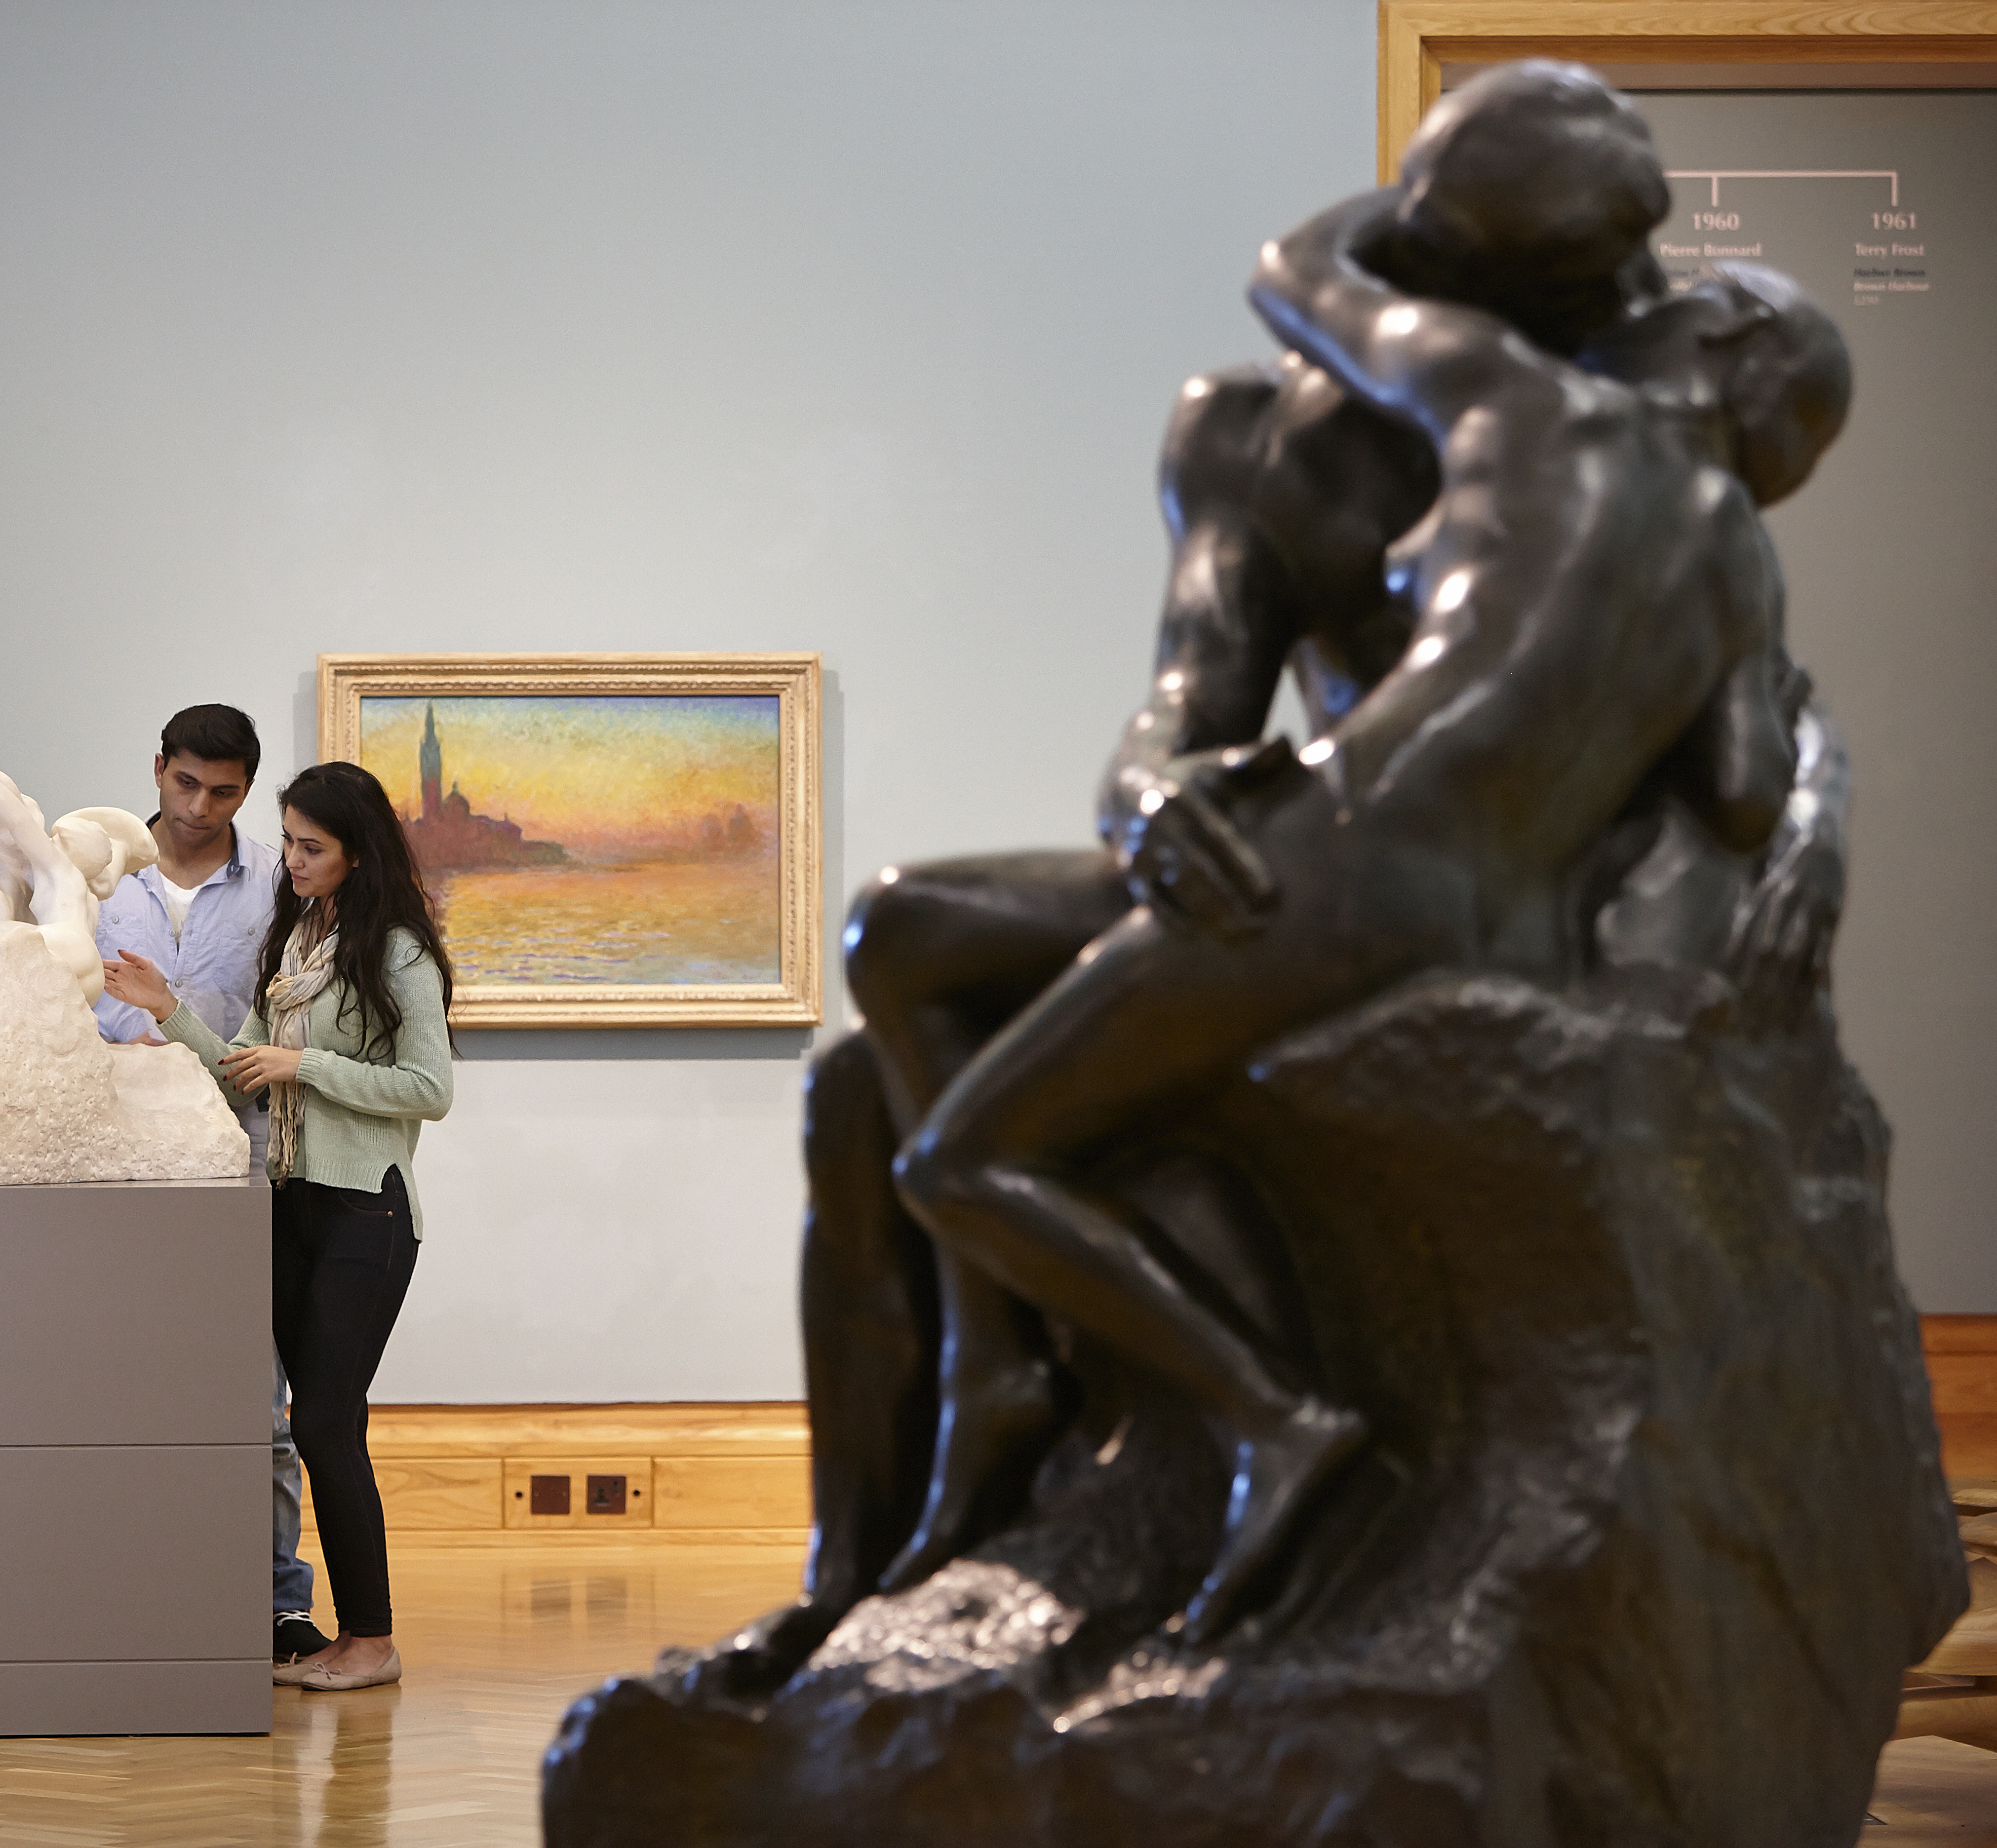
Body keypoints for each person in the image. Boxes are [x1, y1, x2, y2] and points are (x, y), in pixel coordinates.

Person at [738, 66, 1856, 1684]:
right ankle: (888, 1531)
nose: (1646, 292)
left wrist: (1820, 812)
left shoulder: (1552, 419)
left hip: (1371, 899)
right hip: (1313, 859)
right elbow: (1194, 697)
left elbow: (1771, 752)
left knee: (937, 1105)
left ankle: (1180, 1406)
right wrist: (1144, 796)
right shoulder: (1281, 435)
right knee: (868, 1057)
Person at [103, 759, 455, 1693]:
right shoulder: (299, 936)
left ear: (356, 852)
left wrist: (306, 1067)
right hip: (288, 1201)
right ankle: (352, 1637)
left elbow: (431, 1091)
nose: (289, 860)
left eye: (311, 847)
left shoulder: (401, 952)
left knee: (328, 1425)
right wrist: (169, 1012)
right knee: (314, 1429)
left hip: (365, 1210)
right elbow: (245, 1068)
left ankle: (371, 1641)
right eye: (290, 841)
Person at [86, 705, 327, 1669]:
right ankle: (132, 1583)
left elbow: (307, 1018)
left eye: (222, 791)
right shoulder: (94, 876)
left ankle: (277, 1603)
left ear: (246, 788)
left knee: (258, 1403)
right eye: (185, 784)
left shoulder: (281, 883)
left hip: (249, 1164)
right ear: (157, 769)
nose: (198, 806)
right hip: (114, 1162)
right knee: (117, 1390)